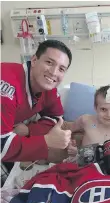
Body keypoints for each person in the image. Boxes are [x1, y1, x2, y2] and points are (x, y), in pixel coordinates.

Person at [1, 40, 72, 186]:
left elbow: (56, 118)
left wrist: (29, 130)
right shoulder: (6, 85)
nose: (53, 72)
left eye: (61, 69)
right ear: (34, 60)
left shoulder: (49, 87)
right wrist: (46, 141)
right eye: (49, 62)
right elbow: (2, 146)